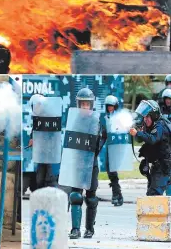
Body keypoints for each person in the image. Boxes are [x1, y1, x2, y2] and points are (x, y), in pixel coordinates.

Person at [67, 88, 100, 240]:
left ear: (91, 105)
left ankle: (89, 229)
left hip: (91, 163)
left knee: (91, 197)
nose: (85, 107)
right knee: (75, 196)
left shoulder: (96, 121)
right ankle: (75, 229)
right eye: (83, 104)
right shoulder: (73, 120)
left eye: (87, 104)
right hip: (76, 163)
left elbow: (99, 141)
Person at [130, 100, 171, 196]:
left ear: (154, 116)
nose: (145, 120)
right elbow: (140, 140)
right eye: (144, 117)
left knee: (153, 195)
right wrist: (137, 131)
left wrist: (138, 133)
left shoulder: (160, 126)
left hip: (163, 167)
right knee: (150, 195)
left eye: (147, 117)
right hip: (155, 167)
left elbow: (152, 139)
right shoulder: (149, 126)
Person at [101, 95, 123, 206]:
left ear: (115, 106)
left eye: (112, 106)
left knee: (113, 171)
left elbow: (123, 134)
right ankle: (118, 194)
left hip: (117, 148)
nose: (110, 108)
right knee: (109, 169)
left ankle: (116, 195)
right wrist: (98, 147)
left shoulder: (119, 118)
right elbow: (104, 135)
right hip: (109, 148)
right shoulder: (106, 118)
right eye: (108, 106)